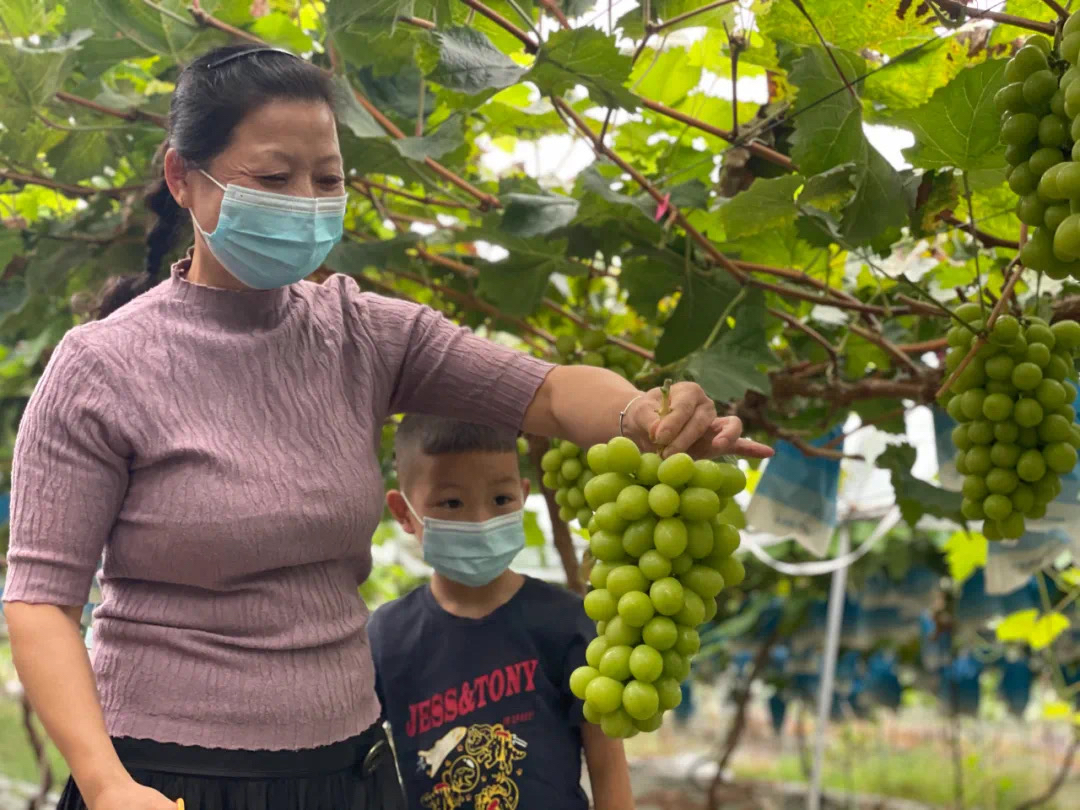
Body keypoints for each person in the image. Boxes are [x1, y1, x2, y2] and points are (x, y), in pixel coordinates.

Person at [1, 43, 772, 810]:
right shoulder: (100, 367)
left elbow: (549, 394)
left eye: (327, 179)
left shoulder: (359, 332)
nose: (306, 199)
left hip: (352, 769)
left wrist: (644, 411)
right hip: (164, 780)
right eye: (274, 178)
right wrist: (105, 785)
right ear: (182, 179)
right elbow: (39, 599)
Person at [368, 415, 633, 810]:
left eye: (501, 500)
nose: (481, 521)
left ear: (523, 496)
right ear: (403, 512)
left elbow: (608, 766)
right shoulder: (385, 636)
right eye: (452, 502)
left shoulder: (570, 623)